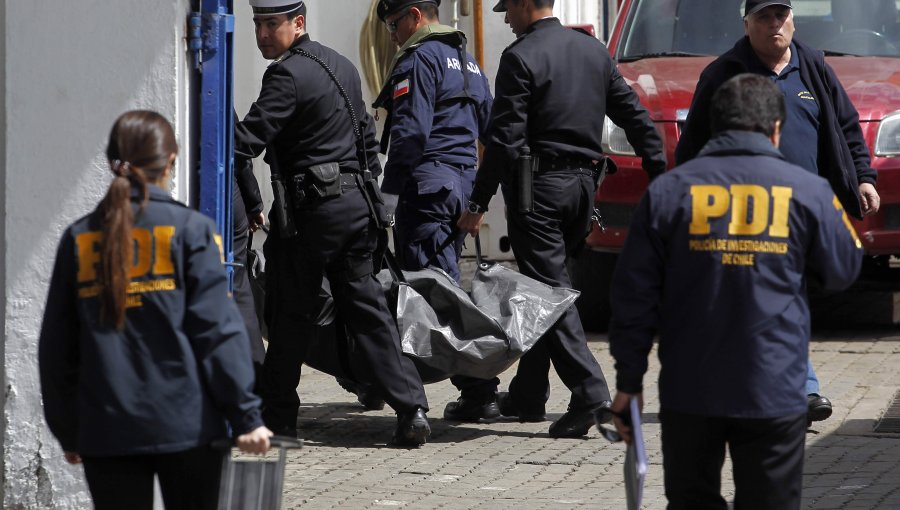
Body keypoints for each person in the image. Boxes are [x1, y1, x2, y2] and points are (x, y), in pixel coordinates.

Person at [609, 74, 863, 509]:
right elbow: (842, 270)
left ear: (712, 124)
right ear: (777, 129)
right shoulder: (808, 191)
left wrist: (629, 382)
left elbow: (634, 297)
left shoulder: (669, 192)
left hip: (690, 389)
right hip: (774, 387)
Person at [38, 110, 272, 510]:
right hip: (190, 426)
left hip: (108, 429)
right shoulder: (190, 230)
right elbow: (217, 331)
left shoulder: (78, 238)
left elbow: (56, 349)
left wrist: (69, 430)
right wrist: (246, 415)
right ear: (170, 161)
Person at [457, 0, 667, 438]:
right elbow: (633, 114)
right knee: (547, 289)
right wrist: (659, 171)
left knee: (548, 294)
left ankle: (592, 395)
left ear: (522, 5)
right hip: (584, 191)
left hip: (539, 194)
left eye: (507, 9)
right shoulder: (592, 51)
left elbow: (505, 140)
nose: (504, 18)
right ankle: (529, 395)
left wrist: (478, 203)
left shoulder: (520, 57)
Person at [234, 0, 431, 446]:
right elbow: (365, 137)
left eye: (272, 24)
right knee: (368, 310)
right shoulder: (340, 64)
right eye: (258, 25)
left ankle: (279, 419)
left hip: (312, 215)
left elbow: (250, 138)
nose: (263, 34)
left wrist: (214, 131)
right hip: (357, 208)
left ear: (298, 23)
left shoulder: (285, 75)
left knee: (289, 311)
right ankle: (411, 408)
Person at [673, 0, 880, 426]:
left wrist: (863, 176)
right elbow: (693, 143)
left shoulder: (813, 67)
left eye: (781, 16)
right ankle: (795, 388)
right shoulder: (723, 73)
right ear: (746, 24)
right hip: (739, 211)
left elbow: (845, 126)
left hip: (801, 209)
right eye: (764, 17)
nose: (774, 25)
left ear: (792, 19)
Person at [373, 0, 500, 422]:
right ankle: (470, 387)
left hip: (426, 188)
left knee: (432, 294)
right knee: (443, 283)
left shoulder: (419, 58)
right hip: (459, 187)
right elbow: (493, 132)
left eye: (393, 24)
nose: (392, 34)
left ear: (414, 15)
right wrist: (479, 196)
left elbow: (410, 135)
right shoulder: (469, 62)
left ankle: (478, 390)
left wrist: (388, 196)